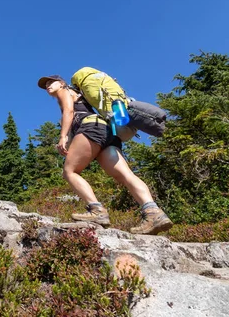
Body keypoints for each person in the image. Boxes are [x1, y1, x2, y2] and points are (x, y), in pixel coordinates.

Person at [37, 74, 173, 235]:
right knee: (124, 175)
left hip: (91, 128)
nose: (48, 86)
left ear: (61, 83)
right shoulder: (79, 94)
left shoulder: (65, 92)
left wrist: (62, 136)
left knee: (69, 171)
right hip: (107, 132)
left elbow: (69, 110)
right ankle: (153, 212)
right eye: (45, 85)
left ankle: (96, 210)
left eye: (51, 82)